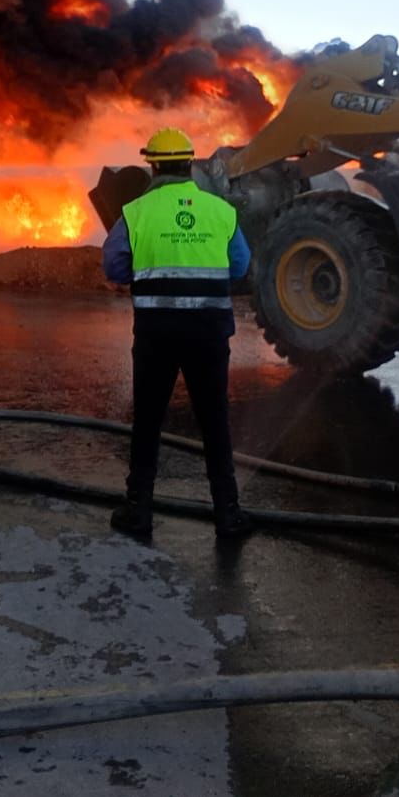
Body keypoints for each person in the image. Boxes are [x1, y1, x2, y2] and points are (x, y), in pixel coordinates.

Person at [101, 128, 251, 541]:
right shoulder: (220, 211)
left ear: (153, 167)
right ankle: (228, 514)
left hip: (157, 335)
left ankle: (138, 510)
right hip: (209, 333)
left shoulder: (136, 212)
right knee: (215, 421)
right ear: (189, 165)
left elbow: (114, 266)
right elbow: (240, 265)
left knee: (148, 420)